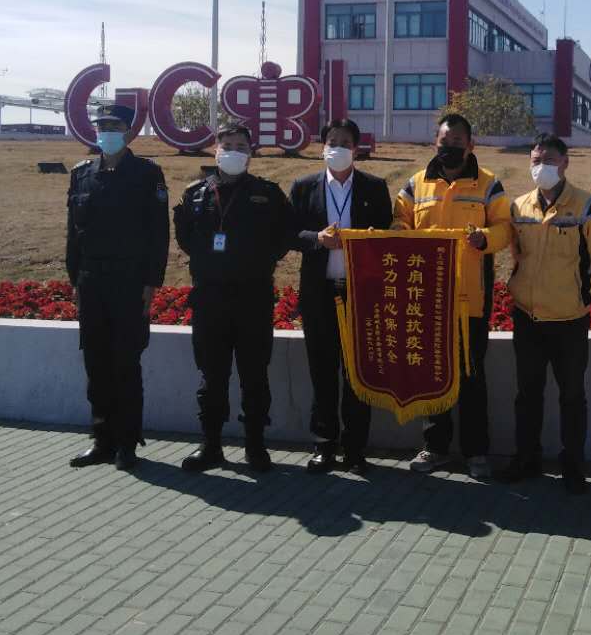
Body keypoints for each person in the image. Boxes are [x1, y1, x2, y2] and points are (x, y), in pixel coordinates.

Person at [393, 112, 512, 479]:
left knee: (472, 376)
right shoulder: (416, 184)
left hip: (470, 298)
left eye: (458, 142)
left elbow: (505, 228)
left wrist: (485, 239)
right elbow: (399, 221)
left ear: (470, 145)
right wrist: (401, 232)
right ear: (436, 142)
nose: (450, 147)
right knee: (433, 374)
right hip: (427, 297)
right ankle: (435, 447)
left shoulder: (488, 184)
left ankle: (476, 452)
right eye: (445, 142)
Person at [174, 124, 295, 473]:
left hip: (252, 297)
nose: (233, 152)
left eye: (241, 146)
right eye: (226, 145)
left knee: (254, 375)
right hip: (210, 297)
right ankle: (210, 446)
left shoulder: (267, 193)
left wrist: (256, 261)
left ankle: (255, 446)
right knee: (211, 375)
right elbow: (186, 238)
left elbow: (283, 236)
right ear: (216, 150)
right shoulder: (195, 194)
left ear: (251, 152)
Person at [500, 133, 591, 494]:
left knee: (572, 396)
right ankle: (526, 458)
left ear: (565, 163)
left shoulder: (588, 206)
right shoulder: (519, 207)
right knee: (527, 394)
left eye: (549, 160)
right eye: (536, 161)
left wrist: (581, 295)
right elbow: (516, 253)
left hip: (569, 320)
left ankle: (574, 466)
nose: (542, 167)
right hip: (528, 317)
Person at [65, 104, 169, 471]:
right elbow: (73, 233)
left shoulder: (147, 174)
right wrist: (74, 279)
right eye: (102, 125)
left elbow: (158, 233)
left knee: (126, 363)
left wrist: (151, 282)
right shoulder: (81, 174)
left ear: (127, 130)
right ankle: (102, 440)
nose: (106, 131)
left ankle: (127, 442)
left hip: (129, 282)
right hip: (91, 281)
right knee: (96, 362)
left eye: (114, 125)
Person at [289, 119, 393, 473]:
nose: (338, 148)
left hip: (360, 294)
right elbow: (289, 233)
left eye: (345, 142)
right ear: (322, 147)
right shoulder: (304, 187)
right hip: (319, 293)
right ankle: (324, 445)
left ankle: (355, 448)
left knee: (358, 375)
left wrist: (371, 238)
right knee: (322, 371)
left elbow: (387, 234)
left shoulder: (374, 188)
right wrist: (316, 239)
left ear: (356, 148)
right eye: (332, 141)